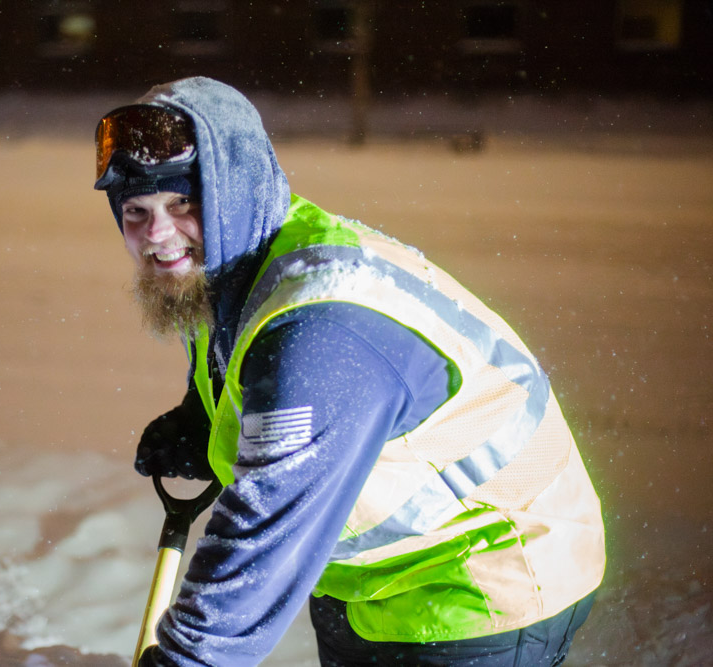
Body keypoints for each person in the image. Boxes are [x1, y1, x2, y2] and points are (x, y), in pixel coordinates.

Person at [94, 77, 605, 667]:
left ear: (235, 194)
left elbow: (262, 541)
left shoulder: (319, 330)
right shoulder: (233, 263)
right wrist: (199, 420)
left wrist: (186, 660)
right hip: (365, 580)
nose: (157, 236)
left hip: (481, 580)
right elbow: (237, 363)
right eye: (137, 211)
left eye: (183, 203)